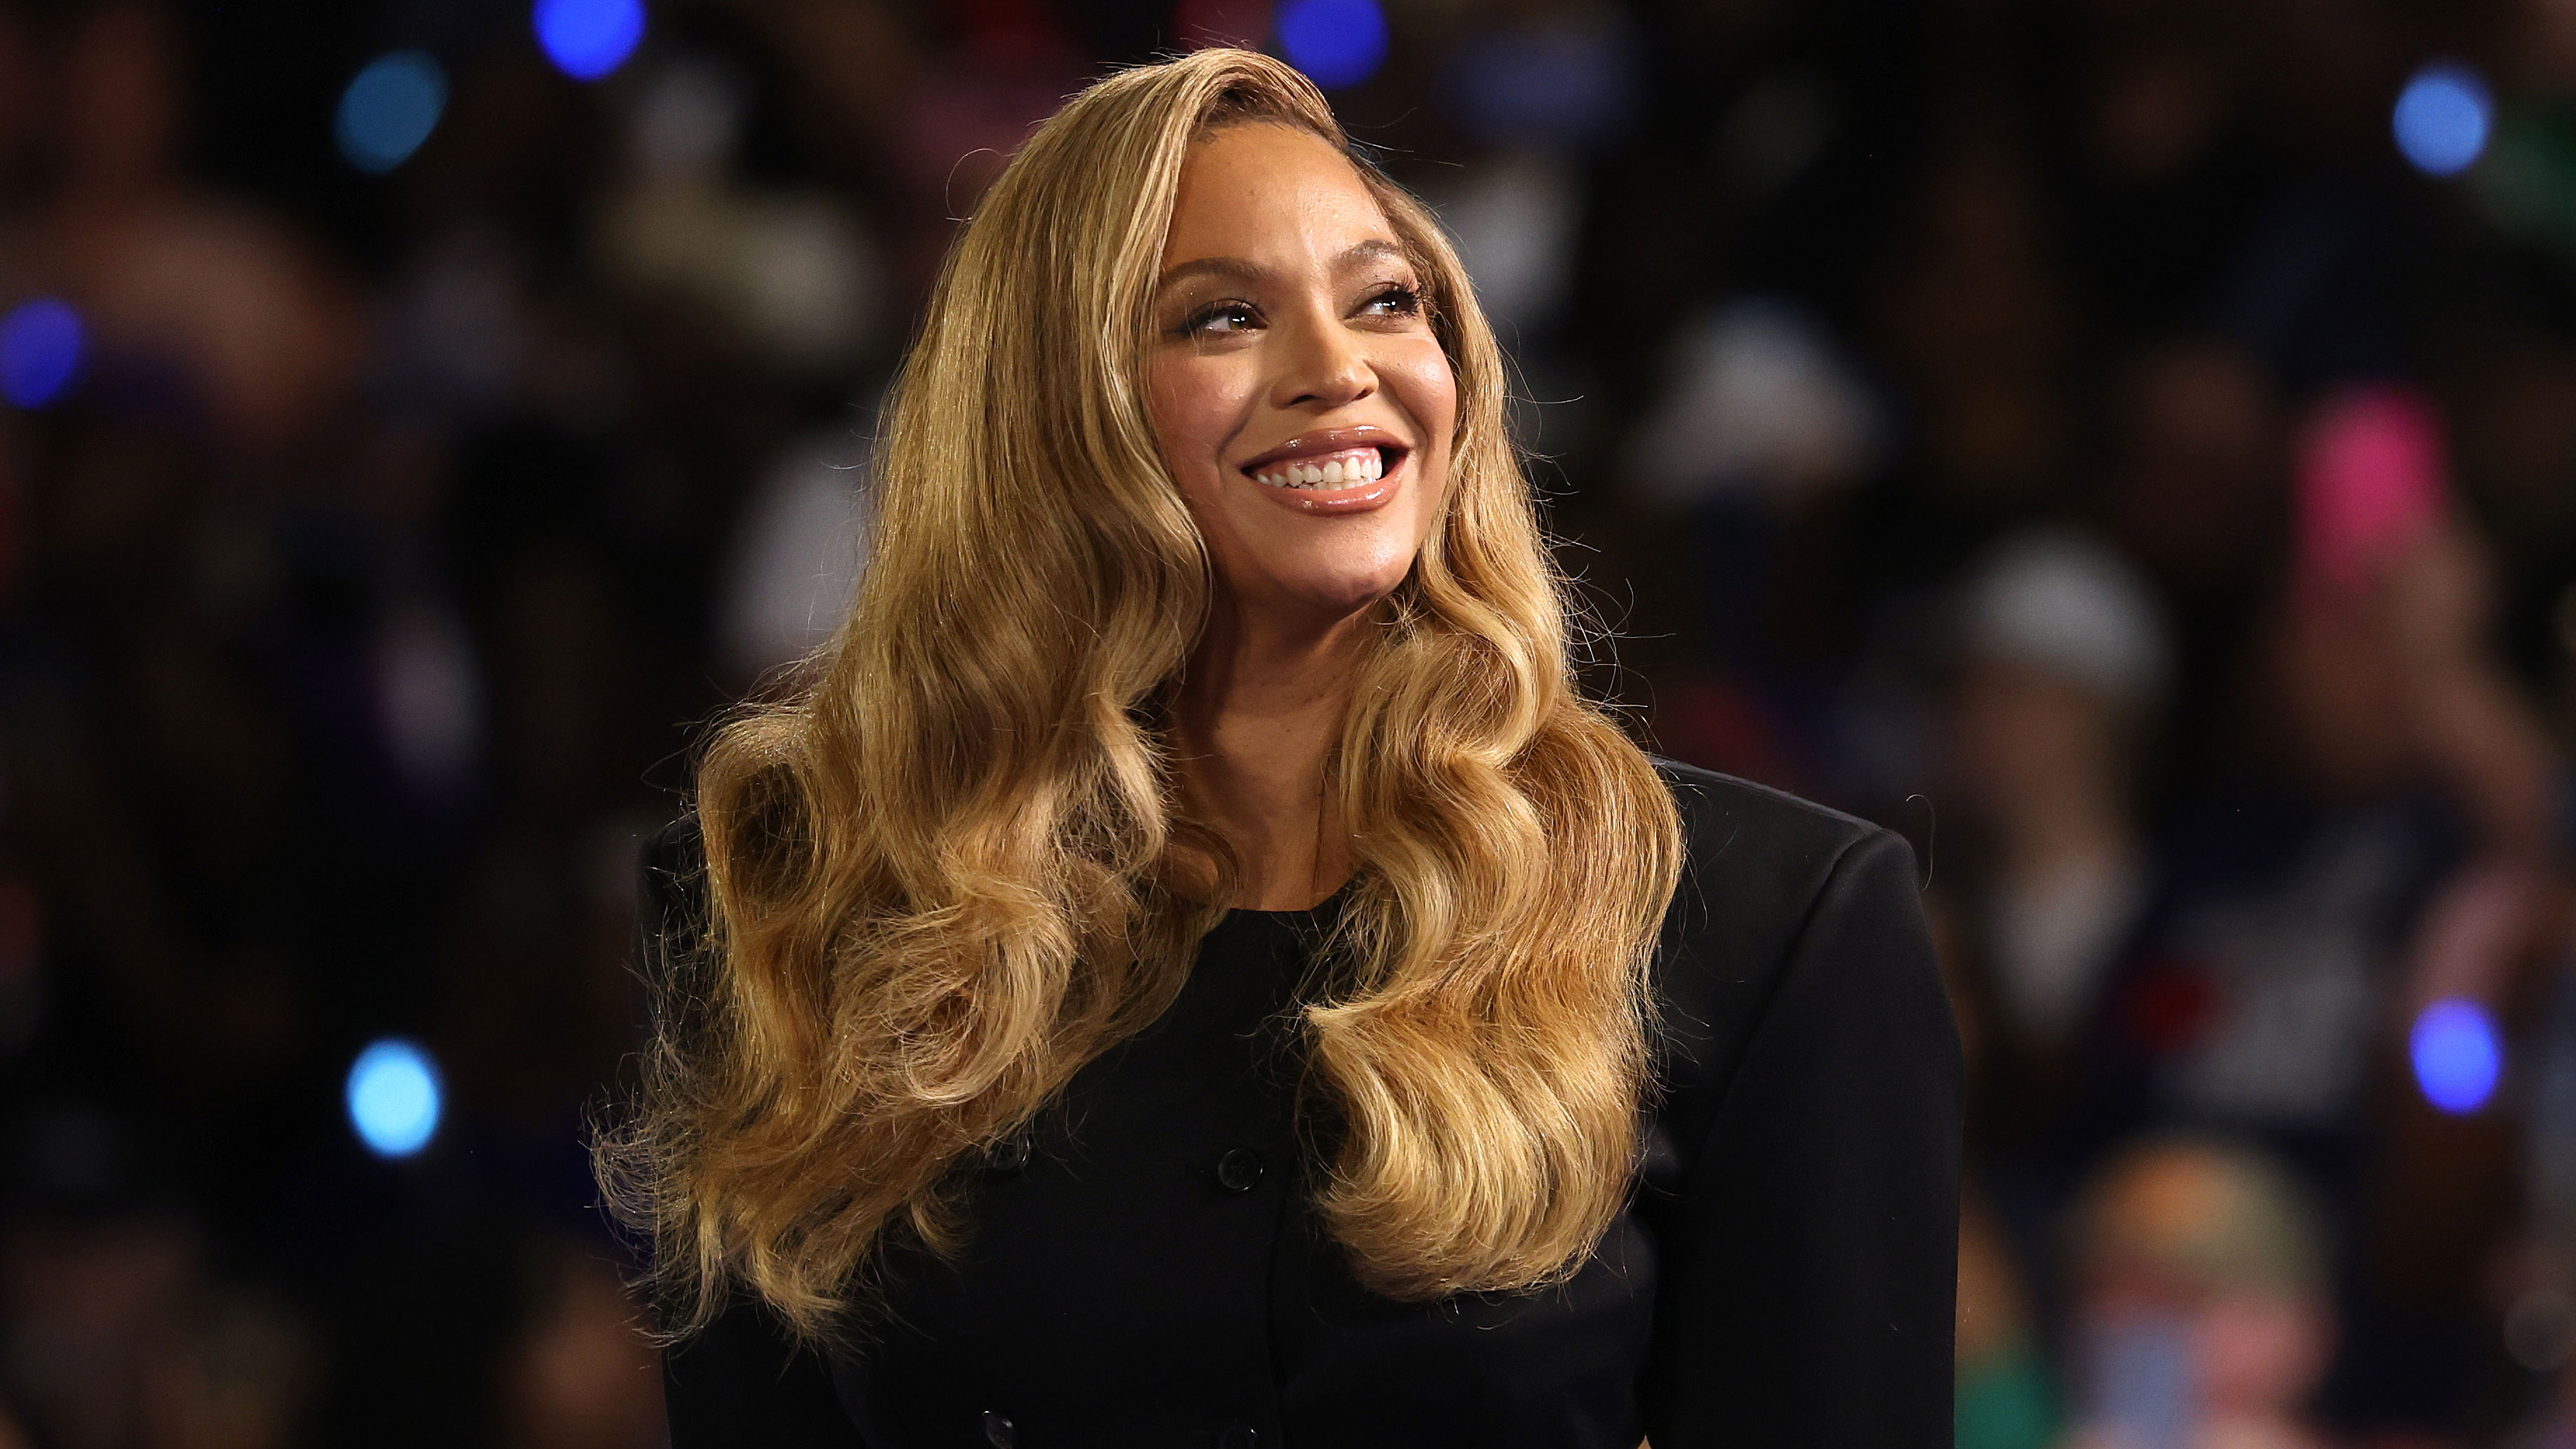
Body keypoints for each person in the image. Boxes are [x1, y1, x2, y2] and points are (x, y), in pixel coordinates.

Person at [597, 49, 1960, 1448]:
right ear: (1050, 412)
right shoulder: (789, 902)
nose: (1338, 369)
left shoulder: (1769, 926)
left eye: (1387, 301)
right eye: (1223, 318)